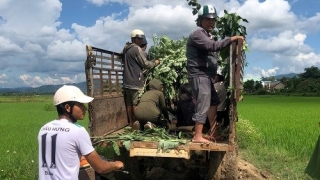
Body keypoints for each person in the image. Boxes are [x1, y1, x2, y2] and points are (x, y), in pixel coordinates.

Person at [38, 85, 124, 180]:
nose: (85, 108)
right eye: (80, 105)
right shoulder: (78, 131)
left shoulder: (44, 128)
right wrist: (116, 164)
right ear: (67, 107)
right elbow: (101, 168)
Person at [186, 5, 245, 143]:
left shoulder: (207, 35)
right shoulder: (197, 33)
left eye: (213, 20)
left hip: (206, 76)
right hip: (199, 75)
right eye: (207, 19)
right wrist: (231, 39)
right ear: (200, 20)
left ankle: (214, 132)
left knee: (213, 102)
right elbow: (212, 46)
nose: (211, 22)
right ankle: (198, 136)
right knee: (204, 102)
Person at [122, 29, 160, 127]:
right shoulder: (136, 48)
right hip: (135, 81)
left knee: (129, 104)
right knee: (136, 104)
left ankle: (131, 123)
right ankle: (137, 123)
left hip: (126, 82)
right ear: (134, 39)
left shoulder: (126, 49)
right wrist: (155, 63)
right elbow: (145, 64)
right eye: (139, 38)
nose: (141, 41)